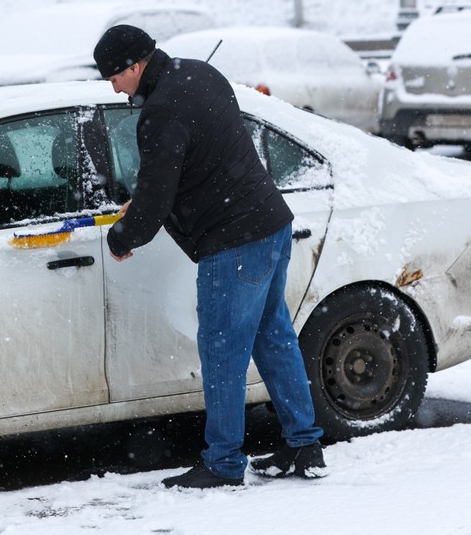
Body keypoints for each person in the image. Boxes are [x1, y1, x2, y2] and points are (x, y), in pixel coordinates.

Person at [93, 24, 326, 489]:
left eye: (115, 76)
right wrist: (144, 204)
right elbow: (202, 159)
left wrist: (123, 236)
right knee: (272, 336)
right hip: (270, 223)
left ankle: (222, 463)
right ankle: (304, 445)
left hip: (234, 241)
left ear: (136, 66)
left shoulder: (160, 112)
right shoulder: (200, 73)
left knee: (222, 352)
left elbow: (159, 192)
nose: (113, 86)